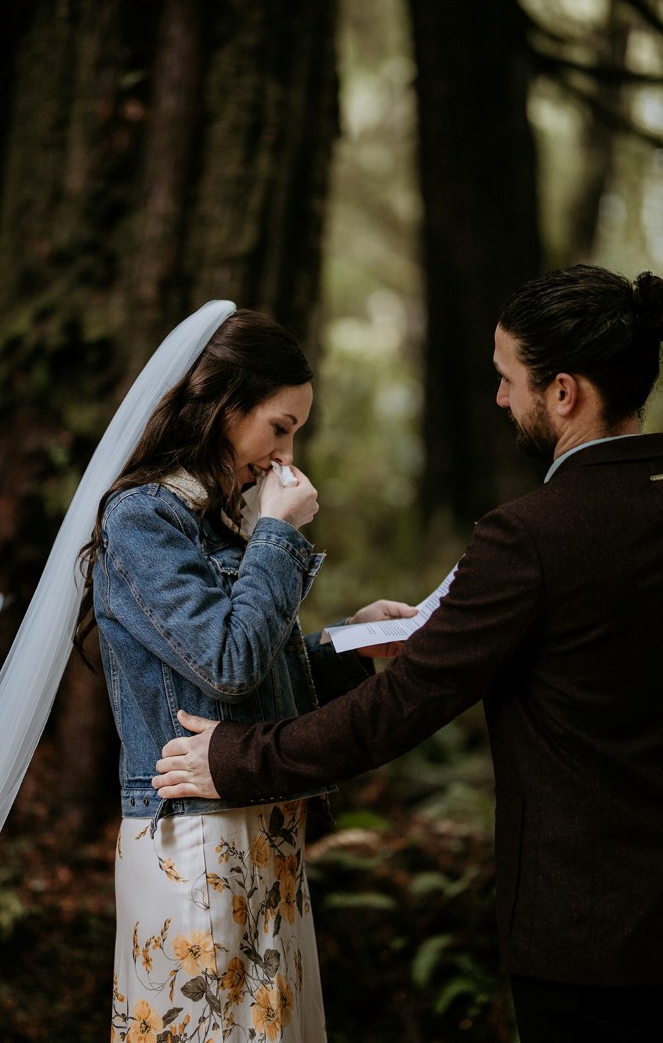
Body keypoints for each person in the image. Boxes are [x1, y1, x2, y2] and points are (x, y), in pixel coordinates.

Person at [152, 265, 663, 1043]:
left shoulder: (531, 537)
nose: (498, 399)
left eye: (507, 379)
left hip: (591, 932)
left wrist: (240, 758)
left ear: (563, 393)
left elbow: (401, 709)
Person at [74, 307, 414, 1043]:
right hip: (196, 844)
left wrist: (352, 644)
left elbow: (251, 670)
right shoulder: (143, 520)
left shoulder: (219, 520)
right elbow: (225, 665)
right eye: (279, 426)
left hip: (263, 825)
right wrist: (278, 533)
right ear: (225, 409)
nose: (285, 452)